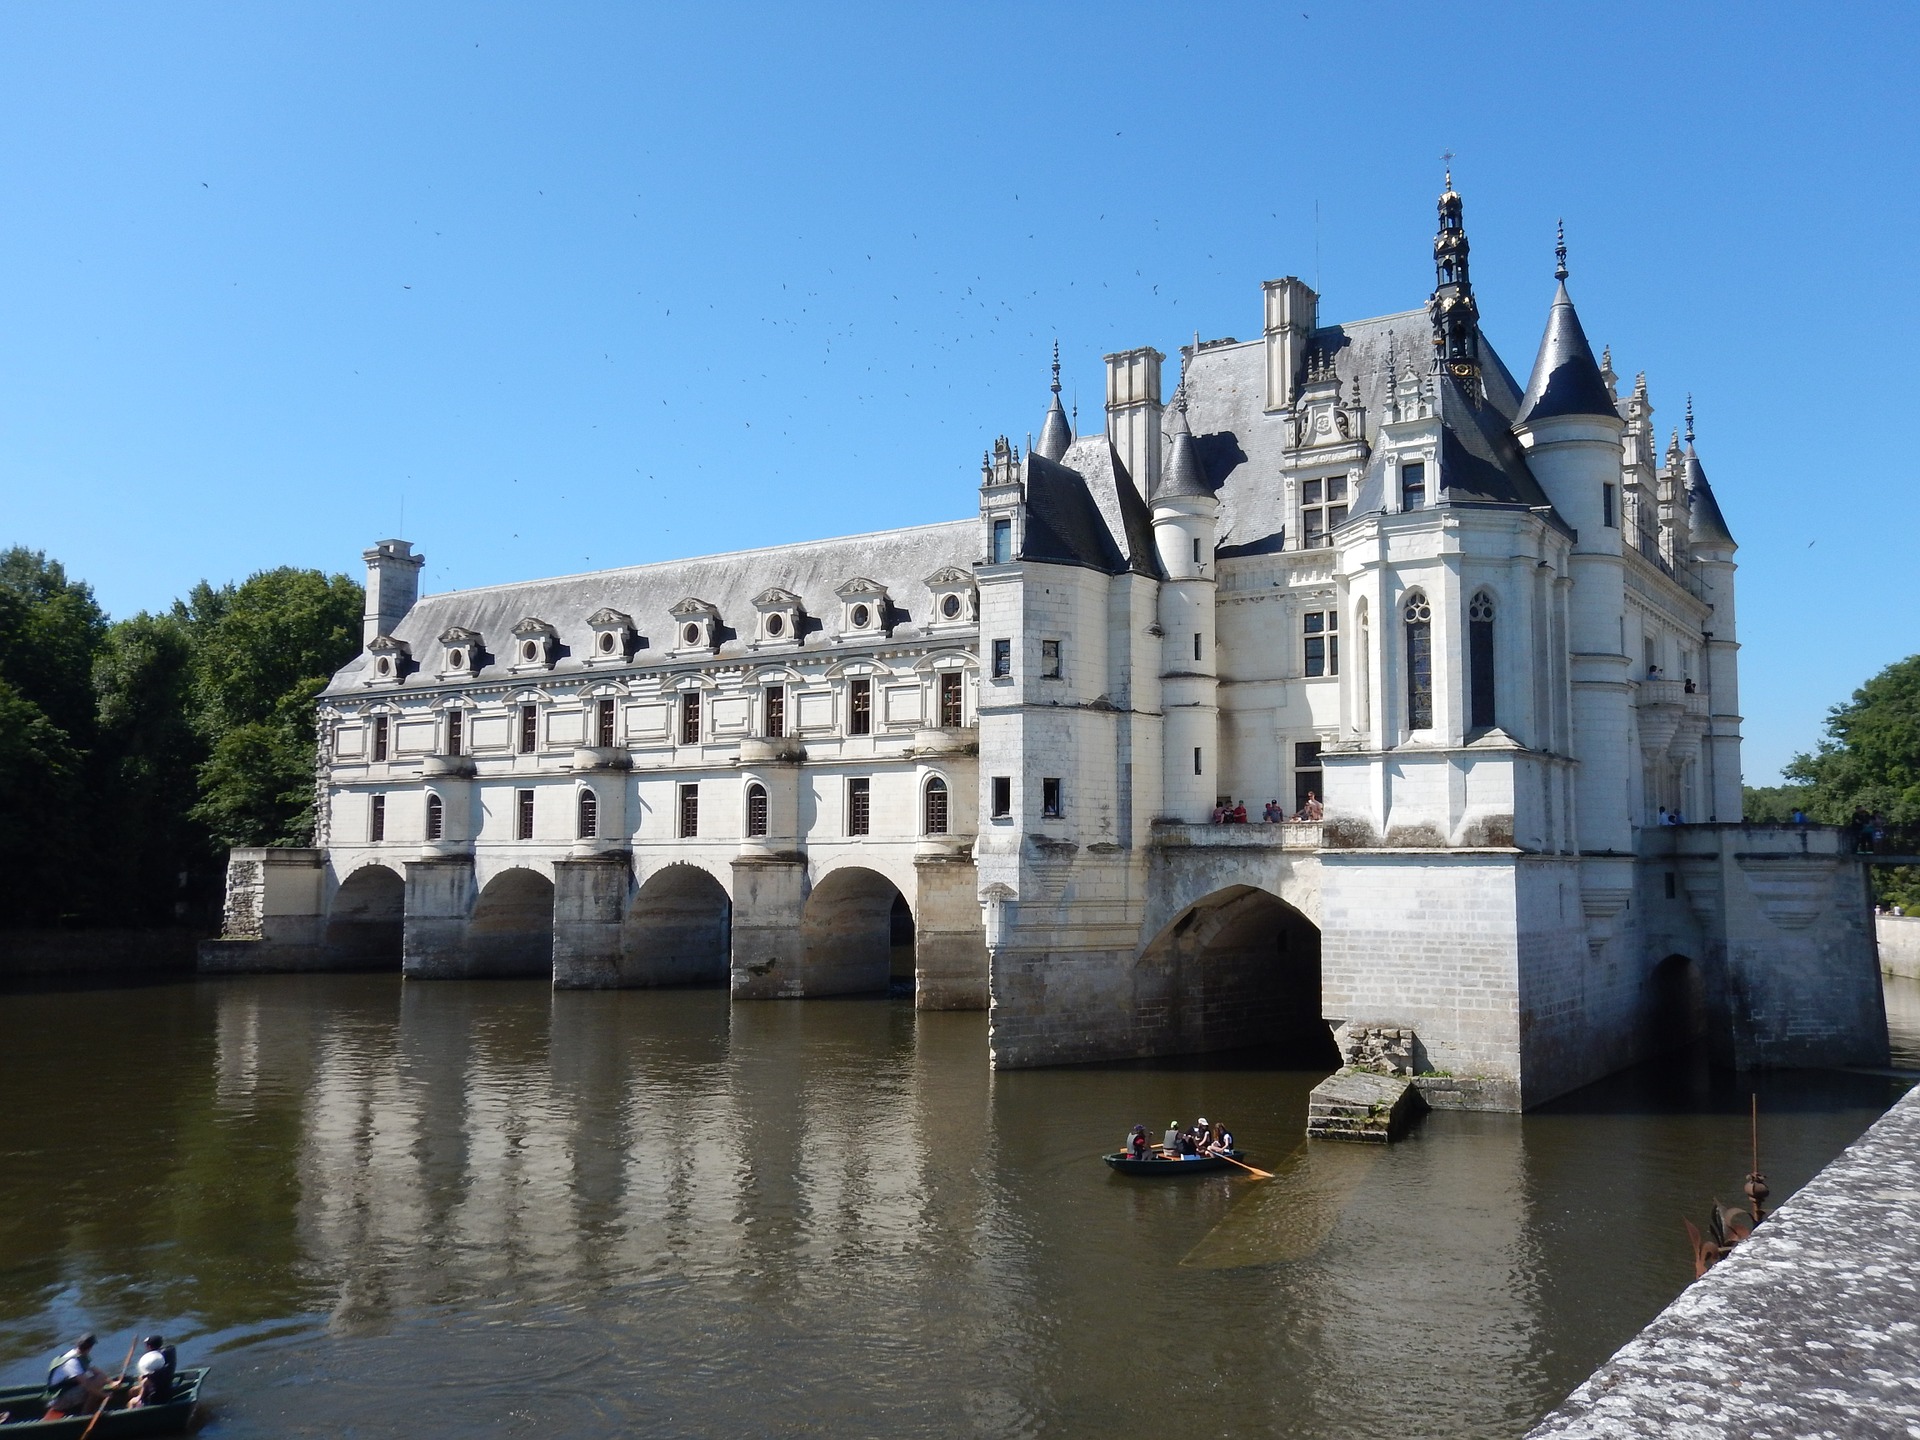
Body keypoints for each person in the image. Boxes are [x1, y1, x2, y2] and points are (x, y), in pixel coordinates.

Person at [44, 1333, 107, 1419]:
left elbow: (98, 1372)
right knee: (94, 1385)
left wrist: (112, 1382)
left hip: (67, 1391)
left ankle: (88, 1408)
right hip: (58, 1401)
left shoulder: (78, 1356)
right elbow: (87, 1385)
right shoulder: (72, 1361)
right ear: (90, 1348)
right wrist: (104, 1395)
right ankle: (86, 1414)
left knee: (99, 1379)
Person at [129, 1335, 176, 1409]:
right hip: (166, 1389)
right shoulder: (165, 1357)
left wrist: (139, 1398)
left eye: (146, 1345)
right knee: (132, 1390)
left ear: (149, 1347)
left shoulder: (151, 1373)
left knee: (131, 1402)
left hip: (156, 1398)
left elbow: (145, 1382)